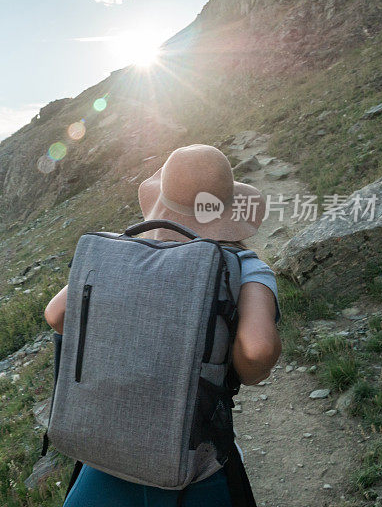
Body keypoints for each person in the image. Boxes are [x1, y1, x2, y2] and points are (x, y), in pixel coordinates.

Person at [44, 144, 282, 507]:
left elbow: (56, 315)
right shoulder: (244, 265)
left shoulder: (122, 253)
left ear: (162, 201)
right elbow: (257, 350)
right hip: (190, 460)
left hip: (103, 449)